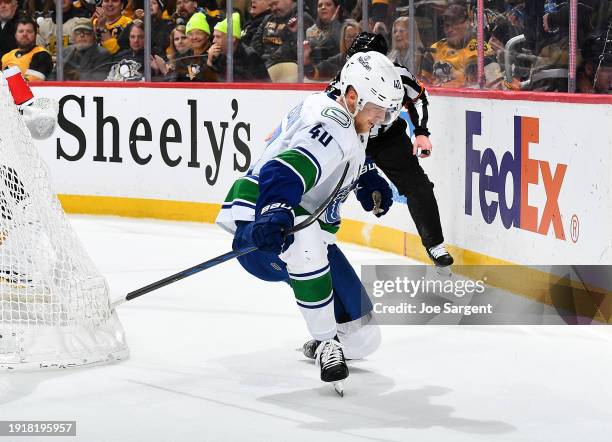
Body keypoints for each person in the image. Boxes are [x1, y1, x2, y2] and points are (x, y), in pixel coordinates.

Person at [216, 51, 404, 393]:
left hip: (301, 230)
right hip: (261, 233)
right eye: (378, 107)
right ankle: (326, 342)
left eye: (387, 109)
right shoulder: (333, 125)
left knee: (364, 339)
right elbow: (281, 171)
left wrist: (366, 179)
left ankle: (325, 340)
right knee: (305, 237)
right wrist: (274, 211)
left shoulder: (347, 115)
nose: (383, 116)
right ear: (352, 95)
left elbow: (339, 159)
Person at [327, 32, 454, 268]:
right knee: (334, 184)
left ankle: (435, 244)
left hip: (388, 138)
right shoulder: (343, 80)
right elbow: (328, 113)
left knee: (419, 186)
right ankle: (315, 235)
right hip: (354, 137)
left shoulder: (398, 75)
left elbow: (418, 98)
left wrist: (421, 132)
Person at [420, 3, 503, 88]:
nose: (450, 29)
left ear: (467, 24)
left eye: (455, 23)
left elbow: (496, 86)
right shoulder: (434, 50)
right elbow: (423, 85)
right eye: (447, 25)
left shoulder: (482, 49)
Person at [251, 0, 314, 82]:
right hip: (264, 67)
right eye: (271, 6)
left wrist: (290, 33)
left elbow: (294, 51)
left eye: (275, 4)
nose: (273, 8)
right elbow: (255, 44)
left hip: (286, 68)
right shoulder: (268, 18)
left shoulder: (303, 18)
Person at [206, 12, 268, 81]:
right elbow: (213, 85)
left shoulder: (251, 57)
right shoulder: (220, 56)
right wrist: (209, 62)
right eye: (214, 36)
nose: (214, 41)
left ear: (232, 38)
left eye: (218, 37)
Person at [2, 16, 53, 82]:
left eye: (29, 31)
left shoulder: (42, 54)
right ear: (15, 35)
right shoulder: (6, 57)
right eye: (21, 31)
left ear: (35, 35)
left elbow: (31, 82)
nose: (25, 34)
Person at [305, 0, 342, 65]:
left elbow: (342, 46)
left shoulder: (346, 26)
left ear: (337, 8)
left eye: (328, 5)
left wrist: (334, 23)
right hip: (316, 70)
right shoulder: (310, 30)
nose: (323, 7)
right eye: (320, 6)